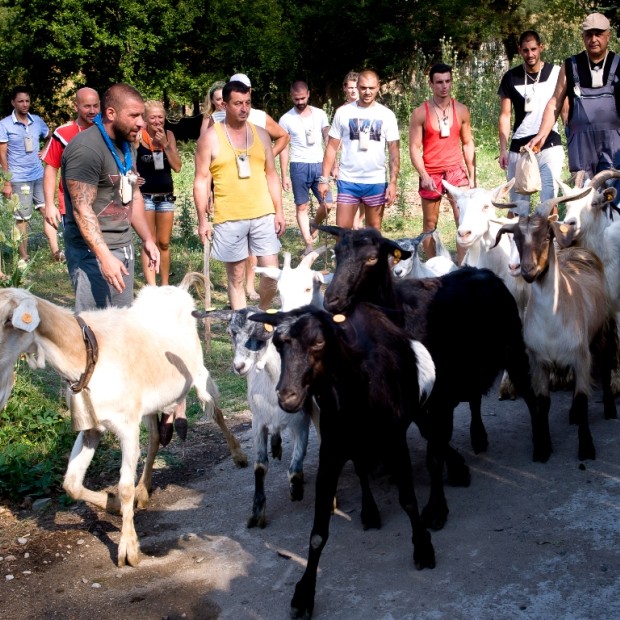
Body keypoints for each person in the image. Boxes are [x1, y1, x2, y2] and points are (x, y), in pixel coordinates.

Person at [61, 83, 160, 310]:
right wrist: (104, 257)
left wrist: (147, 239)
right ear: (111, 113)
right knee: (94, 326)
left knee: (119, 324)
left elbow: (132, 192)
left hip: (123, 246)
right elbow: (81, 209)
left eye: (142, 115)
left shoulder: (128, 145)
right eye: (134, 115)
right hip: (92, 253)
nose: (141, 122)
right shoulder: (86, 149)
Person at [194, 80, 285, 310]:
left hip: (263, 212)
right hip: (229, 216)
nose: (244, 108)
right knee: (236, 278)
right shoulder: (210, 138)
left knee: (271, 275)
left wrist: (280, 211)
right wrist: (202, 220)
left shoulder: (262, 135)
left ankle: (262, 316)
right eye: (238, 103)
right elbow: (201, 180)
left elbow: (272, 175)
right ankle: (242, 326)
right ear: (224, 105)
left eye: (247, 103)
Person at [529, 13, 620, 199]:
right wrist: (542, 133)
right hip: (581, 146)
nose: (593, 39)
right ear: (583, 37)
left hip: (613, 143)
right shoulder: (570, 65)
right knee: (582, 196)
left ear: (608, 35)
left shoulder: (619, 64)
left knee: (614, 195)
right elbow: (555, 101)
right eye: (589, 34)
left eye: (598, 34)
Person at [227, 73, 289, 300]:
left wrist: (268, 157)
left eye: (247, 91)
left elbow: (283, 136)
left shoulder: (260, 118)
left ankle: (254, 290)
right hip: (231, 197)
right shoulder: (217, 120)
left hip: (259, 194)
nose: (243, 106)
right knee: (238, 259)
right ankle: (246, 290)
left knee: (265, 259)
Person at [409, 63, 475, 262]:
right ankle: (431, 267)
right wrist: (424, 175)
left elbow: (467, 143)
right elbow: (414, 148)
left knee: (463, 221)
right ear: (431, 84)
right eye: (439, 82)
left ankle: (464, 268)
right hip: (432, 172)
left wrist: (472, 176)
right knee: (430, 224)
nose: (444, 86)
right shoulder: (420, 113)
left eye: (447, 81)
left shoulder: (461, 110)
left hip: (456, 171)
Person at [319, 69, 400, 230]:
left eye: (371, 88)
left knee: (373, 231)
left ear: (378, 87)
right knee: (342, 231)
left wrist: (392, 183)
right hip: (348, 180)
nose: (367, 92)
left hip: (375, 181)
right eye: (363, 88)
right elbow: (331, 148)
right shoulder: (343, 112)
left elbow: (394, 152)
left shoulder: (387, 115)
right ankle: (346, 256)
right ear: (357, 86)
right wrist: (324, 179)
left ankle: (369, 257)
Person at [498, 31, 566, 216]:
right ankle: (516, 244)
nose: (530, 54)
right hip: (520, 147)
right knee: (518, 207)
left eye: (534, 49)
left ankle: (550, 244)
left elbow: (564, 110)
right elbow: (505, 115)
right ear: (520, 50)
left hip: (549, 142)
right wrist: (503, 149)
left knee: (549, 200)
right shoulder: (510, 77)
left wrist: (572, 142)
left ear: (541, 47)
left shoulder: (556, 73)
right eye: (526, 50)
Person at [0, 86, 60, 267]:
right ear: (13, 103)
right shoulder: (4, 125)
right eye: (20, 101)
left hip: (38, 175)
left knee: (47, 210)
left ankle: (56, 251)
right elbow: (2, 155)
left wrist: (43, 151)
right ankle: (23, 256)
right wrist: (7, 182)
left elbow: (50, 136)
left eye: (27, 101)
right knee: (22, 218)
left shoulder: (37, 121)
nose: (24, 104)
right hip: (18, 178)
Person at [42, 87, 100, 256]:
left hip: (102, 203)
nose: (92, 111)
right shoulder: (63, 134)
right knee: (80, 254)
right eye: (87, 106)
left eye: (96, 106)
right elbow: (51, 169)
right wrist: (49, 205)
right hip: (72, 206)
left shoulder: (106, 133)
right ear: (76, 106)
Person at [279, 80, 333, 254]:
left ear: (308, 94)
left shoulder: (320, 114)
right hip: (298, 165)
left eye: (302, 98)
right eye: (296, 99)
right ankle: (308, 244)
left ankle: (314, 225)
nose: (300, 102)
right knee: (301, 206)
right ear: (291, 97)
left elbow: (328, 141)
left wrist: (333, 164)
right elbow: (283, 148)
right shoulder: (286, 119)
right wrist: (284, 174)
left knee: (328, 204)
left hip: (319, 164)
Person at [135, 100, 182, 285]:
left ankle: (164, 285)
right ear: (145, 119)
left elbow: (177, 167)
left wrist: (165, 144)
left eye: (160, 117)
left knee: (164, 242)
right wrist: (132, 174)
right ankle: (152, 287)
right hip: (145, 196)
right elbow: (129, 158)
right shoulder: (138, 135)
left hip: (166, 197)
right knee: (150, 241)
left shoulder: (169, 135)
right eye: (152, 117)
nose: (157, 121)